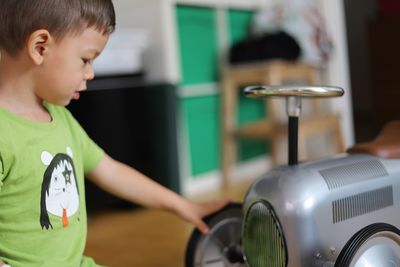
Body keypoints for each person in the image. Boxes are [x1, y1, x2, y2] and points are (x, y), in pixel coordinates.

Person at [0, 1, 229, 266]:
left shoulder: (59, 117)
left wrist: (184, 206)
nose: (91, 73)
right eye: (86, 60)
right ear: (40, 47)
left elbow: (110, 171)